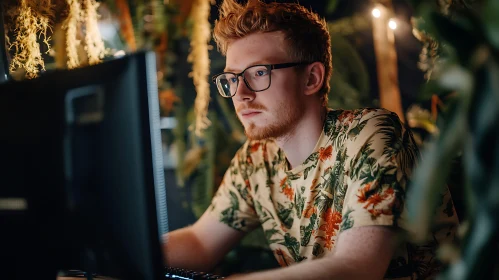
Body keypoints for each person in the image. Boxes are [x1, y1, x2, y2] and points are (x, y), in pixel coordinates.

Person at [162, 0, 459, 279]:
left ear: (311, 79)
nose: (241, 94)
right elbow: (200, 242)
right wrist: (124, 255)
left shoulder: (370, 134)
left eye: (258, 72)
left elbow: (358, 268)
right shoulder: (256, 159)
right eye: (232, 79)